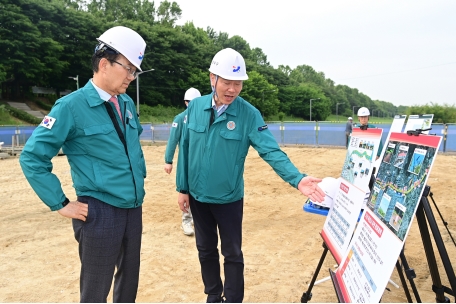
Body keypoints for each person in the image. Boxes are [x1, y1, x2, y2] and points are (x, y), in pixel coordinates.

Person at [175, 48, 326, 303]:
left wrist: (297, 178)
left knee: (232, 253)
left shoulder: (248, 114)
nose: (232, 89)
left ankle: (233, 299)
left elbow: (270, 150)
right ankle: (213, 294)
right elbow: (185, 148)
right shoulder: (196, 107)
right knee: (205, 250)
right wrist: (182, 188)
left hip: (229, 199)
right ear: (213, 78)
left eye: (238, 83)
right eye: (227, 82)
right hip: (198, 197)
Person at [19, 26, 147, 303]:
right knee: (95, 288)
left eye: (135, 71)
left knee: (129, 284)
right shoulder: (70, 107)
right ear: (104, 64)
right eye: (128, 69)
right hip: (100, 211)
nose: (131, 76)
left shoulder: (125, 104)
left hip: (133, 208)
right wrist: (60, 203)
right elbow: (32, 157)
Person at [164, 87, 201, 236]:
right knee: (185, 190)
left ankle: (200, 221)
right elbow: (172, 140)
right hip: (186, 162)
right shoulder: (180, 119)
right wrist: (168, 160)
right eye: (189, 102)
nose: (192, 104)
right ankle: (186, 220)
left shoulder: (206, 118)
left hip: (201, 162)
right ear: (185, 102)